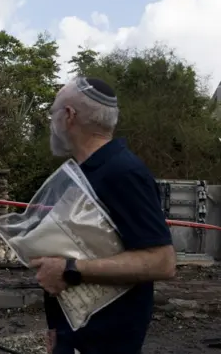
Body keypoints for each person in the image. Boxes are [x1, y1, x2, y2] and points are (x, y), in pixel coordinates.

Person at [31, 77, 177, 354]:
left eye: (53, 113)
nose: (52, 122)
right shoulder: (85, 172)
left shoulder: (123, 171)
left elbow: (162, 261)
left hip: (107, 341)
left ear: (69, 116)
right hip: (75, 334)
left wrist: (69, 270)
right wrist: (57, 328)